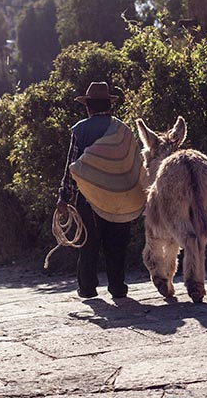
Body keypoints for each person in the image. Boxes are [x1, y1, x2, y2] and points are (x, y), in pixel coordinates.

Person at [57, 81, 136, 299]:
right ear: (109, 105)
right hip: (119, 198)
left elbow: (72, 166)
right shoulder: (122, 129)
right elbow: (132, 164)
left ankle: (87, 288)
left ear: (88, 106)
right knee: (117, 244)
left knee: (88, 244)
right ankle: (118, 288)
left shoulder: (80, 130)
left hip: (88, 200)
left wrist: (64, 197)